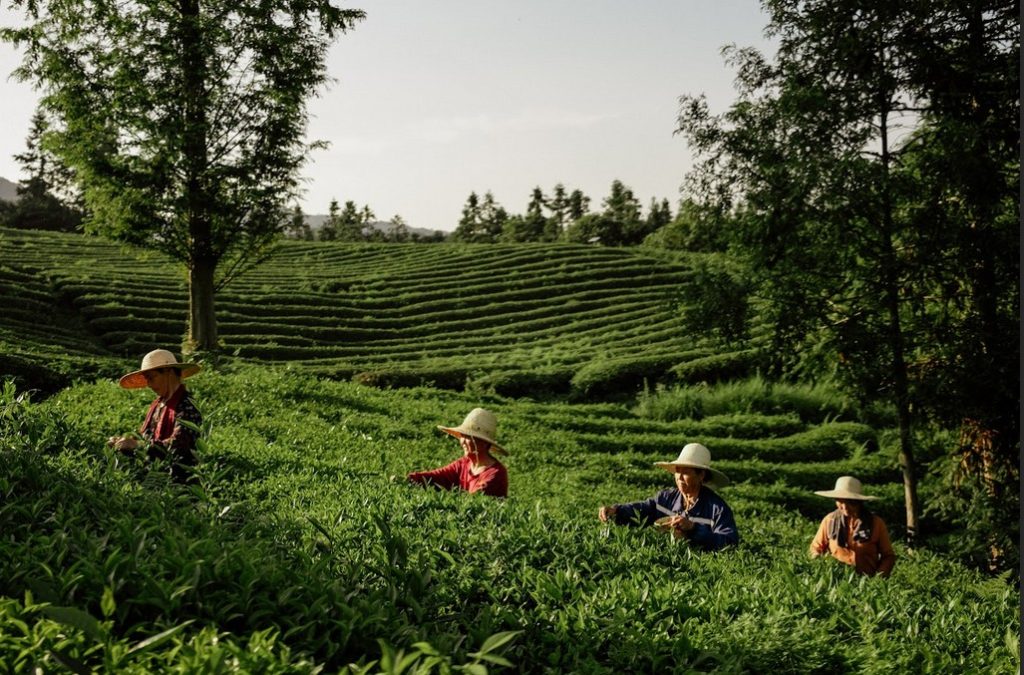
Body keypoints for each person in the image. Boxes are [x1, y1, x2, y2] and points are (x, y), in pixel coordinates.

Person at [598, 443, 738, 551]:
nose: (680, 477)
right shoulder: (666, 498)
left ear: (701, 475)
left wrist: (693, 528)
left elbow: (730, 542)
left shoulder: (717, 509)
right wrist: (617, 511)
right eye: (678, 471)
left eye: (686, 472)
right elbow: (644, 509)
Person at [107, 349, 202, 484]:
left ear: (168, 373)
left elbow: (178, 446)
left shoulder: (186, 405)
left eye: (152, 378)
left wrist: (138, 445)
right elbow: (147, 438)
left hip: (180, 484)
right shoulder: (158, 405)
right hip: (156, 478)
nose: (149, 385)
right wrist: (124, 442)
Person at [407, 408, 508, 497]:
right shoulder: (463, 464)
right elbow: (437, 477)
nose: (463, 441)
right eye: (462, 436)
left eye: (468, 437)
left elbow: (475, 500)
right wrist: (409, 479)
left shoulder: (496, 474)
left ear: (484, 442)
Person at [808, 476, 896, 577]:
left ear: (859, 502)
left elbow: (888, 556)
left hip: (867, 581)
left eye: (850, 502)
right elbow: (816, 547)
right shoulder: (829, 520)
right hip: (837, 581)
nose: (844, 507)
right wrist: (818, 560)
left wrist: (879, 578)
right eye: (840, 501)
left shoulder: (876, 523)